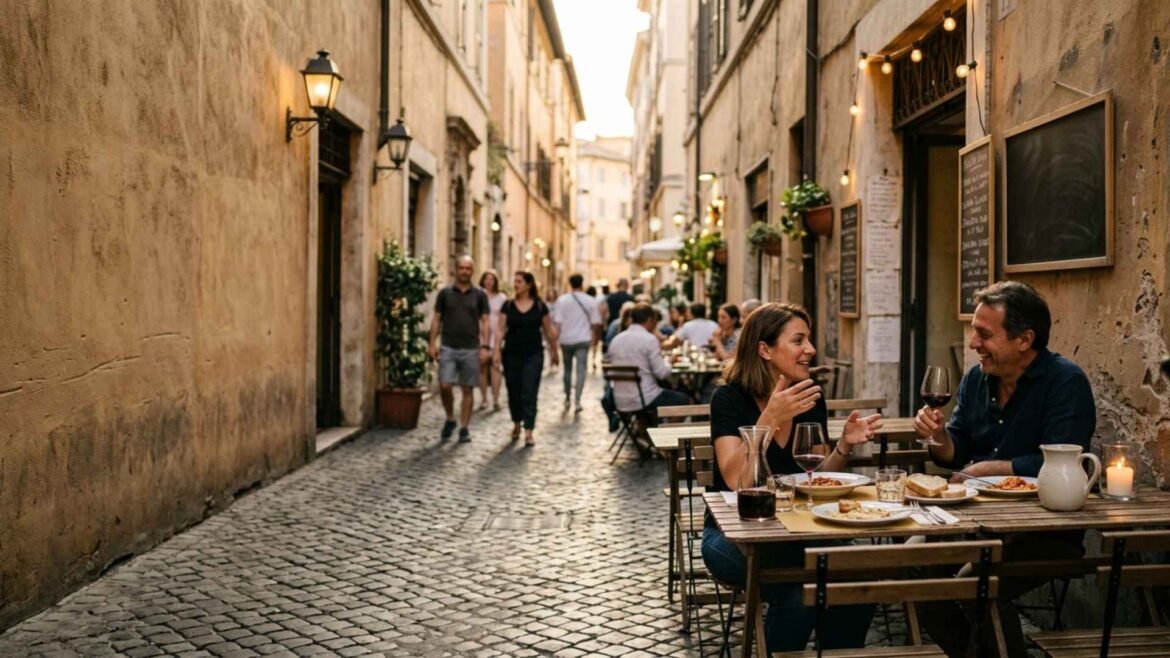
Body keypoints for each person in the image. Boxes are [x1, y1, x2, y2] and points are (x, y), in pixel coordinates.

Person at [914, 281, 1096, 657]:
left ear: (1024, 339)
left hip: (1043, 532)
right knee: (908, 562)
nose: (972, 344)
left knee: (977, 584)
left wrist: (989, 469)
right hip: (975, 521)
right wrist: (938, 436)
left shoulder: (1066, 381)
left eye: (984, 334)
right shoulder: (976, 378)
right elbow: (954, 448)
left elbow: (1063, 459)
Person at [701, 302, 882, 652]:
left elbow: (817, 478)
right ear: (765, 350)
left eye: (809, 340)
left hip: (800, 530)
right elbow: (737, 479)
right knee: (799, 593)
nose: (811, 350)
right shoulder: (729, 399)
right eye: (799, 340)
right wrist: (769, 416)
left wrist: (843, 445)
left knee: (859, 576)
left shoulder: (809, 399)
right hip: (734, 535)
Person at [428, 256, 490, 443]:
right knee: (445, 385)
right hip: (448, 346)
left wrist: (485, 346)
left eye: (468, 268)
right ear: (456, 269)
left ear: (472, 271)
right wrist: (432, 343)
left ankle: (464, 427)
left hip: (471, 348)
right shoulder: (445, 293)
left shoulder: (479, 295)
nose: (464, 271)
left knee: (467, 389)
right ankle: (450, 418)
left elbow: (485, 321)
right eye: (461, 268)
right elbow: (437, 318)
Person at [494, 271, 558, 447]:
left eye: (519, 281)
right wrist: (496, 352)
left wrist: (555, 352)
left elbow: (549, 330)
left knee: (530, 391)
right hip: (511, 355)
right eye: (515, 281)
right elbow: (500, 330)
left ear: (529, 285)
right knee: (514, 391)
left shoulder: (539, 306)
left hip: (533, 355)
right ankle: (516, 423)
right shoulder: (507, 306)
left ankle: (529, 430)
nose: (516, 284)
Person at [606, 303, 691, 414]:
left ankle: (644, 427)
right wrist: (669, 361)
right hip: (645, 398)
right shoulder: (649, 340)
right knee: (683, 400)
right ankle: (665, 430)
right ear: (650, 320)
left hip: (620, 400)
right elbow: (662, 373)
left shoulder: (616, 340)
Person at [554, 274, 603, 412]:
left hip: (566, 339)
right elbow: (596, 323)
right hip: (583, 339)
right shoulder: (590, 301)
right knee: (581, 370)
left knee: (567, 370)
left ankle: (567, 397)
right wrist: (593, 338)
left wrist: (555, 341)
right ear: (582, 283)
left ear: (570, 283)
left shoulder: (562, 300)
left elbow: (558, 323)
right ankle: (577, 401)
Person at [478, 270, 507, 412]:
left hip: (496, 337)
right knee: (481, 368)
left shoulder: (502, 298)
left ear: (496, 281)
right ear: (482, 281)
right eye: (486, 279)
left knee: (495, 367)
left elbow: (505, 319)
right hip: (480, 336)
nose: (489, 282)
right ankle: (484, 399)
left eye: (492, 279)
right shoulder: (478, 296)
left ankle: (495, 399)